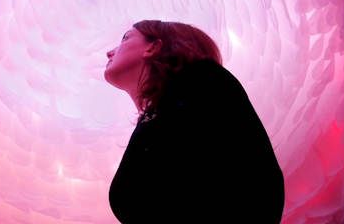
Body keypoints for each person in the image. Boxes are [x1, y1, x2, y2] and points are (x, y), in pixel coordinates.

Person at [104, 20, 285, 223]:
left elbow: (255, 190)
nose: (109, 52)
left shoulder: (203, 80)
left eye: (125, 38)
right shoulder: (163, 112)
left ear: (153, 47)